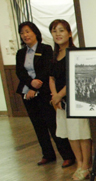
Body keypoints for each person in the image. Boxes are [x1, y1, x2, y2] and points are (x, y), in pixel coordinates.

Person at [15, 22, 74, 167]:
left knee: (52, 124)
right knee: (38, 125)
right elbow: (20, 72)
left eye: (28, 31)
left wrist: (36, 87)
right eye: (22, 33)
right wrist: (30, 84)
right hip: (27, 93)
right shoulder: (21, 53)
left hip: (44, 92)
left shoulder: (45, 49)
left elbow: (47, 70)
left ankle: (67, 155)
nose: (25, 35)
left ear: (35, 33)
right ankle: (47, 154)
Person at [48, 19, 92, 181]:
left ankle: (86, 165)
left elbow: (76, 78)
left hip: (77, 100)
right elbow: (51, 78)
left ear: (69, 33)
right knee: (71, 134)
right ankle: (79, 163)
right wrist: (55, 96)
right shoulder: (54, 55)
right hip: (61, 102)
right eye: (54, 31)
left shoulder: (75, 53)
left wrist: (59, 95)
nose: (58, 34)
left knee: (82, 133)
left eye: (61, 30)